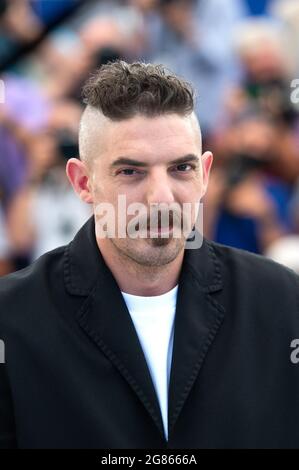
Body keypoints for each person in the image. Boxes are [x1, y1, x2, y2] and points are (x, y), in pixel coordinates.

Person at [0, 61, 298, 449]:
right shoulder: (11, 320)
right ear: (83, 182)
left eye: (181, 168)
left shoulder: (283, 303)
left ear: (205, 173)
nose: (161, 197)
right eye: (131, 172)